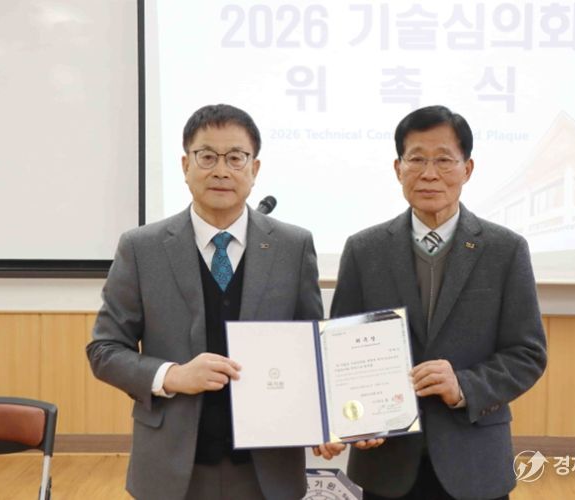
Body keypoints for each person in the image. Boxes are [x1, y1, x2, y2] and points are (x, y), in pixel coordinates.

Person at [87, 104, 331, 500]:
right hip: (171, 467)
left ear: (254, 169)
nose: (221, 170)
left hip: (268, 466)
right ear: (185, 165)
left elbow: (311, 347)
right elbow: (104, 350)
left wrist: (326, 418)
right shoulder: (142, 248)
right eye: (207, 157)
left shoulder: (293, 245)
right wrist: (172, 375)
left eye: (235, 158)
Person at [330, 105, 547, 500]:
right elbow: (341, 350)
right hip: (386, 461)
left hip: (475, 459)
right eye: (416, 159)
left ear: (467, 169)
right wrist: (357, 417)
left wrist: (464, 385)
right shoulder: (364, 249)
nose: (429, 173)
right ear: (398, 168)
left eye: (444, 160)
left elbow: (527, 354)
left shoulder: (505, 250)